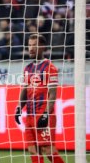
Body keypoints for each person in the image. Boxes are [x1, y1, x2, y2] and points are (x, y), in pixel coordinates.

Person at [15, 34, 64, 163]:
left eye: (34, 45)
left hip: (43, 113)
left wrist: (46, 114)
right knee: (33, 150)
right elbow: (25, 89)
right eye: (29, 45)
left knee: (48, 151)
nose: (30, 48)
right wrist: (19, 107)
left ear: (42, 47)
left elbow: (52, 94)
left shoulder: (50, 67)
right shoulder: (28, 68)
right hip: (30, 115)